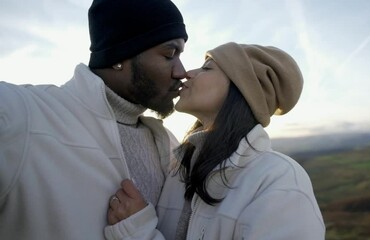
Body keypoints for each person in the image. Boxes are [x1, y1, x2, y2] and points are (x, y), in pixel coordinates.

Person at [0, 0, 188, 239]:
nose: (181, 71)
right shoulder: (24, 115)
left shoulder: (169, 144)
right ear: (120, 55)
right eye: (170, 53)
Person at [105, 42, 326, 239]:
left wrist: (138, 231)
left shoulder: (278, 180)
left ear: (242, 89)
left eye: (206, 68)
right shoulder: (178, 170)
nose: (187, 73)